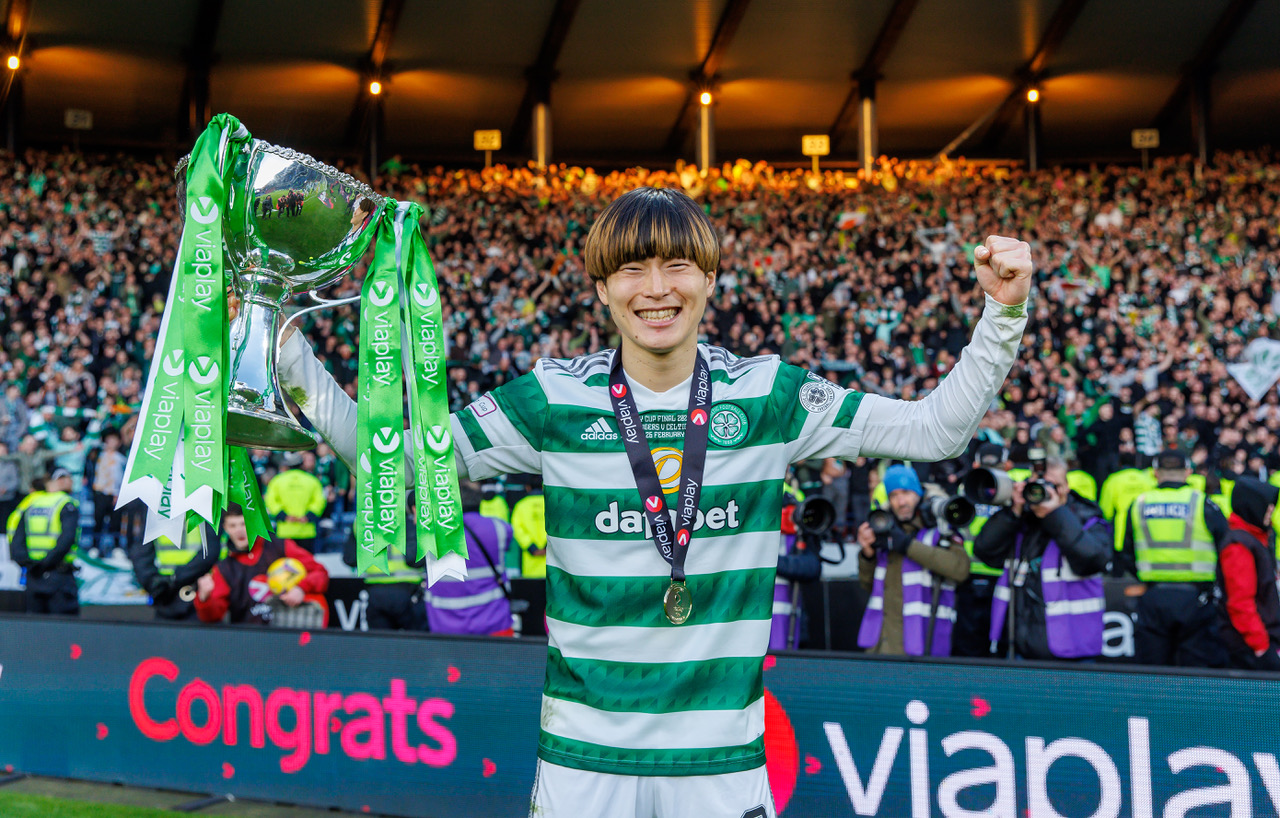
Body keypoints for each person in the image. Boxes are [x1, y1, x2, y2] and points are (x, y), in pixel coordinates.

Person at [276, 187, 1032, 817]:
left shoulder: (769, 395)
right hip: (582, 764)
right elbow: (397, 463)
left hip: (721, 764)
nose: (657, 287)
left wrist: (1002, 316)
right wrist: (281, 342)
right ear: (601, 288)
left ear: (710, 279)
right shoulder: (553, 398)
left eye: (677, 265)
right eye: (632, 268)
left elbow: (935, 430)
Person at [974, 457, 1112, 660]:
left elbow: (1093, 560)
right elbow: (984, 550)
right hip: (1019, 645)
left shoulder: (1086, 516)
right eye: (1036, 485)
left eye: (1051, 485)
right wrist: (1012, 512)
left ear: (1065, 488)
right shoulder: (1023, 518)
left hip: (1073, 647)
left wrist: (1055, 514)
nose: (1043, 491)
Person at [1118, 449, 1229, 667]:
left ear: (1155, 473)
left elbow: (1126, 553)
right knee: (1197, 671)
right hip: (1196, 600)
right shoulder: (1203, 503)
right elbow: (1226, 547)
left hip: (1153, 597)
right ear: (1188, 472)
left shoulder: (1139, 504)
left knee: (1154, 671)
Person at [857, 465, 969, 656]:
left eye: (906, 493)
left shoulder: (941, 529)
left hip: (925, 644)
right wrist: (867, 554)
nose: (901, 502)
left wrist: (908, 546)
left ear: (919, 493)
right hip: (882, 645)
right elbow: (869, 586)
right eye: (894, 495)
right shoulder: (885, 531)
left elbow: (960, 569)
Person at [194, 503, 329, 626]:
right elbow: (212, 617)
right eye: (233, 526)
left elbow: (320, 573)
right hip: (249, 638)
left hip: (287, 631)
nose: (239, 530)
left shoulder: (280, 546)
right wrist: (204, 598)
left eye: (244, 524)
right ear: (225, 528)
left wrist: (301, 589)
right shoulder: (223, 568)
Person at [422, 481, 515, 636]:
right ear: (480, 499)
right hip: (495, 625)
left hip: (445, 630)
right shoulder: (500, 528)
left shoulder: (431, 534)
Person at [952, 442, 1011, 657]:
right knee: (977, 639)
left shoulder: (1010, 489)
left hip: (991, 571)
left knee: (987, 638)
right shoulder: (968, 488)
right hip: (980, 571)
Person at [1214, 477, 1280, 671]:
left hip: (1259, 639)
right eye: (1267, 505)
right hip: (1250, 645)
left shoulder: (1253, 538)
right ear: (1252, 505)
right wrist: (1261, 646)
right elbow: (1240, 602)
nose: (1271, 510)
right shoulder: (1239, 545)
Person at [9, 468, 81, 615]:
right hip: (58, 575)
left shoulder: (31, 503)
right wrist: (46, 563)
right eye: (62, 478)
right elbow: (67, 539)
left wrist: (28, 563)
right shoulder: (66, 503)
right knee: (64, 625)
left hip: (33, 575)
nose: (68, 481)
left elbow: (17, 540)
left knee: (35, 624)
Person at [342, 506, 427, 631]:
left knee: (381, 641)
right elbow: (415, 560)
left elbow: (350, 559)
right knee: (415, 641)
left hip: (375, 593)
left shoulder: (362, 520)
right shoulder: (409, 518)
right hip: (407, 592)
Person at [128, 521, 219, 621]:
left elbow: (211, 551)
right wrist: (154, 583)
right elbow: (141, 553)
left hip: (198, 593)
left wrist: (170, 580)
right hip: (165, 595)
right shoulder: (156, 513)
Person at [264, 451, 326, 553]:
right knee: (306, 560)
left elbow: (270, 501)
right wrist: (308, 516)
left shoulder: (277, 480)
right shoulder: (312, 480)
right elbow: (320, 501)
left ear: (287, 465)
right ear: (302, 464)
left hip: (285, 529)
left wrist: (284, 516)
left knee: (286, 562)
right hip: (306, 530)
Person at [90, 429, 126, 556]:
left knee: (115, 522)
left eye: (114, 440)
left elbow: (121, 477)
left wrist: (119, 493)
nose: (111, 443)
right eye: (109, 440)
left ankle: (117, 547)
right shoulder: (98, 455)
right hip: (100, 492)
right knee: (98, 520)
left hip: (115, 494)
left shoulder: (121, 458)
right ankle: (95, 546)